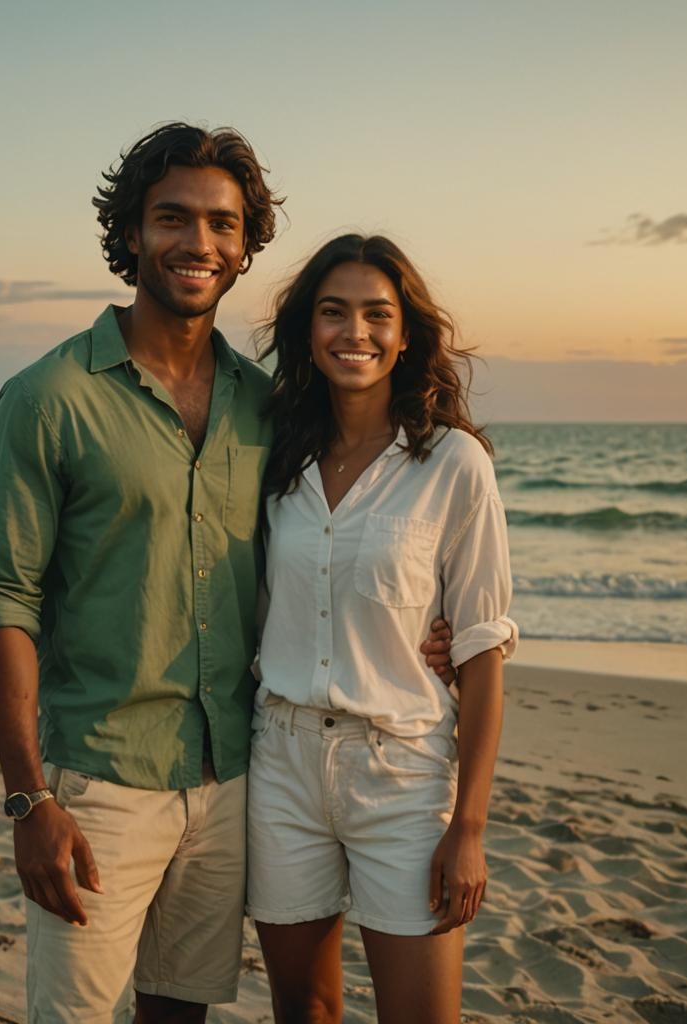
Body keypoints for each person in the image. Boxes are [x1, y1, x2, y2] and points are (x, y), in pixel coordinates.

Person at [0, 122, 283, 1022]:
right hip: (98, 784)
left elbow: (322, 552)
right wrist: (28, 800)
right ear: (132, 234)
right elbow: (1, 601)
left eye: (222, 224)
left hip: (228, 781)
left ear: (245, 244)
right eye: (172, 218)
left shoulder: (265, 405)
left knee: (179, 1013)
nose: (198, 243)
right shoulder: (48, 397)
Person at [248, 234, 517, 1023]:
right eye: (333, 313)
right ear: (308, 330)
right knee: (305, 1010)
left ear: (405, 334)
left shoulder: (454, 464)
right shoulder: (275, 458)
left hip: (401, 775)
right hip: (282, 767)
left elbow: (481, 652)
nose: (353, 332)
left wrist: (468, 827)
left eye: (376, 314)